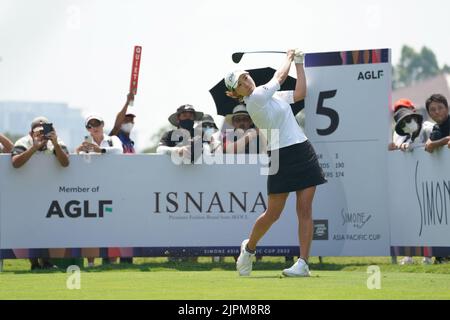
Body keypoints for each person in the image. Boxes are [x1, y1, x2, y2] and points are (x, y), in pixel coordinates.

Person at [225, 49, 327, 277]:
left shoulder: (273, 97)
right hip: (280, 156)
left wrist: (299, 63)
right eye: (240, 83)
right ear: (236, 93)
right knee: (273, 214)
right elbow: (280, 77)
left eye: (245, 76)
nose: (245, 81)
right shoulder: (257, 98)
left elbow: (300, 93)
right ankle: (249, 248)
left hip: (302, 149)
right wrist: (289, 57)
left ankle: (303, 263)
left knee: (305, 209)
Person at [11, 116, 70, 270]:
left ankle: (46, 261)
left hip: (49, 192)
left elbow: (65, 163)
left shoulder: (57, 142)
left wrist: (55, 143)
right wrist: (34, 148)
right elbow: (15, 163)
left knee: (47, 228)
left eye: (45, 130)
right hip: (26, 191)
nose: (42, 134)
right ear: (31, 133)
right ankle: (34, 263)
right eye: (38, 131)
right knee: (30, 227)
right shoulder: (23, 142)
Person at [75, 115, 123, 267]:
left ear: (103, 125)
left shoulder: (112, 140)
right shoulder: (85, 142)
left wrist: (100, 150)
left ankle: (113, 262)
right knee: (91, 227)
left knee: (113, 226)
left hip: (112, 187)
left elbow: (119, 151)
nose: (94, 127)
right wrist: (79, 152)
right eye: (90, 125)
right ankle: (90, 263)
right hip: (91, 190)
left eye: (97, 124)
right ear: (87, 129)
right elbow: (82, 160)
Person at [108, 93, 136, 264]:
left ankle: (127, 261)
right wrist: (127, 102)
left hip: (129, 191)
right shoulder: (114, 136)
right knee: (113, 227)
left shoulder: (130, 142)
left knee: (128, 227)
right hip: (113, 189)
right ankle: (109, 262)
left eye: (131, 120)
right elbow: (117, 123)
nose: (129, 123)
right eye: (127, 120)